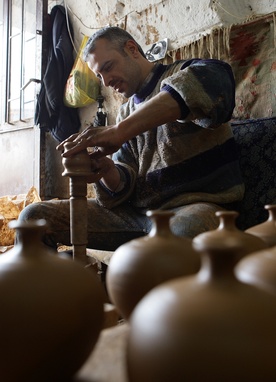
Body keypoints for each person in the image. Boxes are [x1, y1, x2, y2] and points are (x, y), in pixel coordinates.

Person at [19, 26, 244, 252]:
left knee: (172, 243)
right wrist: (106, 170)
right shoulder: (125, 112)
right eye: (99, 76)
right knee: (33, 219)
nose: (106, 82)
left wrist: (119, 131)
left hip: (195, 206)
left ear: (132, 49)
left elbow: (215, 80)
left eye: (108, 67)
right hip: (138, 217)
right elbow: (126, 185)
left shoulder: (184, 73)